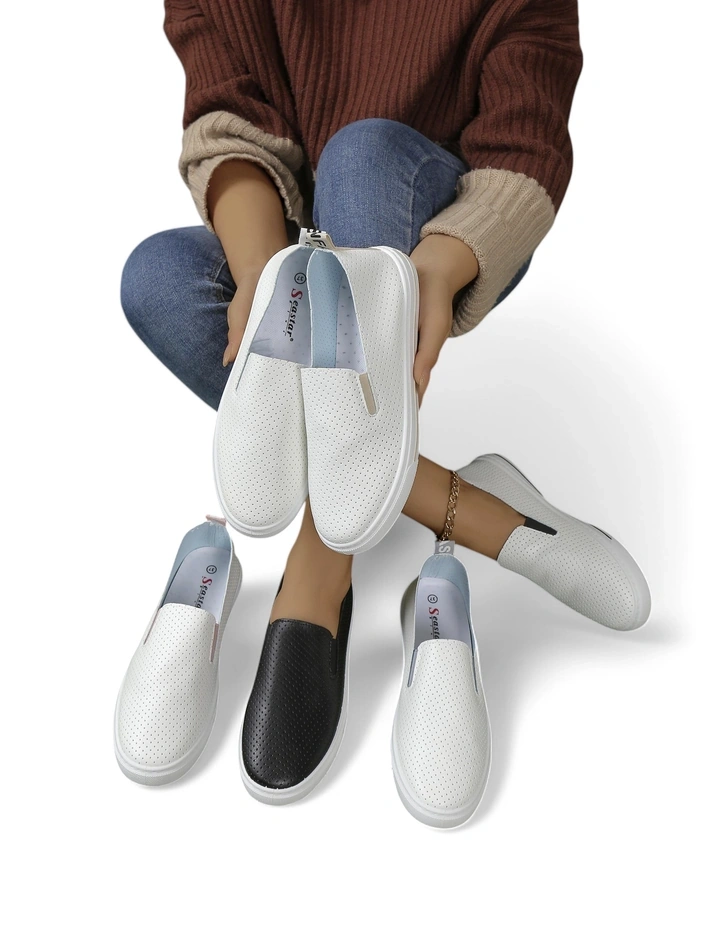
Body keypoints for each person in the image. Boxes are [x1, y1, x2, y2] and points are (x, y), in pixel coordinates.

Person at [121, 3, 649, 801]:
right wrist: (265, 281)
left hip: (437, 222)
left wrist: (434, 268)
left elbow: (525, 145)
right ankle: (471, 506)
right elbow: (229, 114)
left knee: (361, 154)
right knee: (157, 277)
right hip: (299, 236)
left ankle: (319, 569)